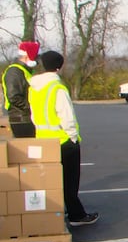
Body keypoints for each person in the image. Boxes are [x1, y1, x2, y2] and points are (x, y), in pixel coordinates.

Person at [28, 51, 99, 227]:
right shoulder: (57, 88)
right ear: (59, 67)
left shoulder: (34, 87)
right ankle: (76, 215)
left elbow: (33, 115)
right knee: (70, 180)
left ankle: (56, 209)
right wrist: (73, 136)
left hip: (42, 139)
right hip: (62, 140)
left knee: (51, 178)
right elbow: (67, 116)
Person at [2, 41, 40, 138]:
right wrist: (32, 107)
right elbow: (14, 97)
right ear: (28, 56)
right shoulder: (14, 72)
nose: (37, 60)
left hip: (24, 117)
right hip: (21, 119)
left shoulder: (22, 71)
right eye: (35, 56)